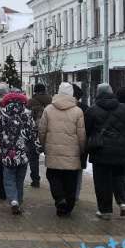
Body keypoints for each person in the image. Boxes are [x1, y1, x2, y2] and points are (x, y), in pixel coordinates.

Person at [85, 83, 125, 219]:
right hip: (121, 151)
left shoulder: (92, 110)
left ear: (97, 93)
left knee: (102, 182)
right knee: (120, 177)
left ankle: (105, 211)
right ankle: (124, 203)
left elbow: (87, 130)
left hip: (100, 152)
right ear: (112, 92)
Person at [38, 83, 86, 217]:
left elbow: (42, 131)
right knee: (70, 180)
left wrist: (44, 145)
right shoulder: (78, 111)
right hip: (72, 153)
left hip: (53, 151)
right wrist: (82, 149)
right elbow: (81, 135)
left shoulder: (48, 109)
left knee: (53, 176)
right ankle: (68, 207)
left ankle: (59, 199)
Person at [0, 90, 42, 215]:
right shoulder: (27, 114)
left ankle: (13, 200)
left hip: (7, 153)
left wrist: (3, 140)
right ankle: (19, 201)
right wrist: (36, 147)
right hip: (23, 153)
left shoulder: (2, 114)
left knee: (9, 178)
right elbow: (33, 133)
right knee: (20, 180)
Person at [26, 83, 52, 188]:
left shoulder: (31, 102)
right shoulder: (51, 101)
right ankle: (53, 180)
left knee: (33, 158)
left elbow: (27, 118)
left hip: (34, 133)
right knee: (51, 156)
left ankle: (35, 179)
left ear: (35, 91)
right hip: (49, 133)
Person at [71, 84, 90, 201]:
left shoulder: (57, 107)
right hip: (80, 145)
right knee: (78, 172)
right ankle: (75, 195)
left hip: (66, 145)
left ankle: (66, 193)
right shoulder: (86, 108)